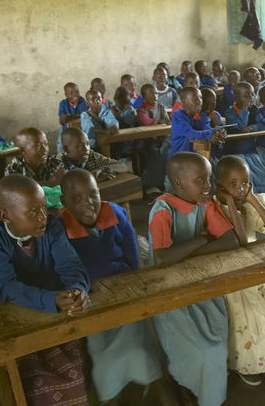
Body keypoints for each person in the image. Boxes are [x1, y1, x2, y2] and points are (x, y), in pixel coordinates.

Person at [59, 169, 175, 406]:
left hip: (123, 293)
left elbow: (131, 253)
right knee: (102, 353)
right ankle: (110, 394)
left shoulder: (115, 213)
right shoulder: (60, 228)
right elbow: (63, 267)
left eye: (93, 194)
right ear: (64, 202)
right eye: (77, 199)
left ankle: (152, 382)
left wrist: (131, 285)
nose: (88, 203)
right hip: (90, 301)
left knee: (138, 346)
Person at [0, 174, 91, 406]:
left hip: (56, 311)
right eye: (32, 211)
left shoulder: (53, 226)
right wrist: (51, 299)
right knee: (36, 380)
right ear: (5, 216)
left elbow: (70, 265)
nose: (42, 217)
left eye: (43, 207)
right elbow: (7, 287)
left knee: (75, 367)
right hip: (18, 316)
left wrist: (78, 290)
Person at [148, 152, 238, 406]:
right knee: (199, 349)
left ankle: (205, 391)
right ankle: (186, 384)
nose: (208, 186)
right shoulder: (162, 210)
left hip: (199, 283)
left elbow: (230, 241)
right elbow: (162, 260)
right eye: (201, 180)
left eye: (208, 179)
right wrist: (202, 239)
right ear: (178, 182)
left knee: (217, 340)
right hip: (169, 290)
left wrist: (186, 252)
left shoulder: (204, 202)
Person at [214, 155, 265, 385]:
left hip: (251, 274)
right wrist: (231, 203)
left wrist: (252, 200)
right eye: (233, 184)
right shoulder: (216, 208)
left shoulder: (253, 203)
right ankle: (240, 363)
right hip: (229, 276)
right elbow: (241, 241)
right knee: (244, 323)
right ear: (220, 185)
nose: (240, 189)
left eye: (245, 182)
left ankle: (252, 360)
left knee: (261, 320)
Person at [224, 82, 265, 196]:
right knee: (249, 181)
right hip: (237, 154)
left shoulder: (255, 110)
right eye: (246, 96)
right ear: (236, 97)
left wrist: (253, 127)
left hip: (252, 153)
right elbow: (240, 126)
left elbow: (264, 125)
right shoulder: (230, 112)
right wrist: (244, 109)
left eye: (252, 94)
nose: (250, 98)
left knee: (264, 178)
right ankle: (250, 207)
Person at [169, 87, 225, 159]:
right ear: (183, 102)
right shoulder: (178, 115)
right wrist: (210, 135)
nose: (199, 102)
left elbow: (207, 130)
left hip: (195, 158)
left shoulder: (201, 116)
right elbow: (191, 134)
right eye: (195, 99)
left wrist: (217, 132)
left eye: (200, 98)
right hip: (180, 159)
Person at [58, 127, 127, 181]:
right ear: (66, 149)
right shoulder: (60, 163)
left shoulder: (92, 156)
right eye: (79, 146)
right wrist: (91, 178)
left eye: (87, 144)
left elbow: (122, 166)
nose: (86, 149)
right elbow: (64, 182)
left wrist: (100, 170)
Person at [57, 82, 88, 153]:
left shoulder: (81, 100)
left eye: (76, 92)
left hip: (80, 129)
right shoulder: (63, 103)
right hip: (66, 129)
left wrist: (71, 116)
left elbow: (83, 114)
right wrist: (64, 117)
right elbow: (62, 121)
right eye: (71, 93)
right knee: (61, 147)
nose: (74, 94)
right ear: (66, 95)